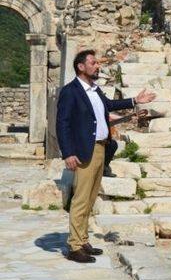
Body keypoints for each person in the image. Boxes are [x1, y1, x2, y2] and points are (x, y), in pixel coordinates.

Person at [56, 50, 155, 263]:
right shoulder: (70, 91)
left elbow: (109, 105)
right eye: (93, 62)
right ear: (81, 67)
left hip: (101, 147)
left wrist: (134, 100)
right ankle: (74, 246)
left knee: (91, 196)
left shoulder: (95, 89)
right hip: (83, 149)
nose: (97, 66)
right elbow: (62, 124)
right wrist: (68, 153)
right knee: (81, 197)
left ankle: (82, 240)